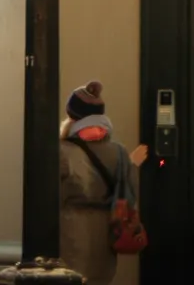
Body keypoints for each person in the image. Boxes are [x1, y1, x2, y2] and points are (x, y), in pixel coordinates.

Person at [60, 87, 136, 285]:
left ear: (72, 115)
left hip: (72, 232)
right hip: (108, 232)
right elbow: (130, 194)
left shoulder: (63, 151)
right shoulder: (119, 152)